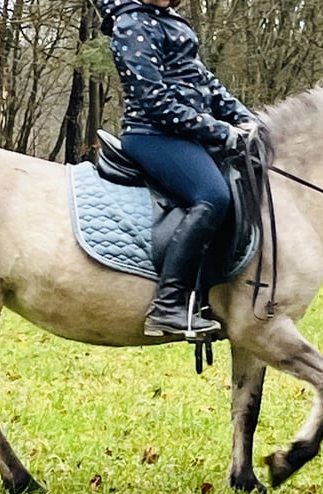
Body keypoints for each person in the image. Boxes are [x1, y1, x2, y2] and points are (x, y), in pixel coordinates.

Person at [95, 0, 256, 337]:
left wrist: (244, 117)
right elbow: (153, 100)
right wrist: (219, 130)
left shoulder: (171, 21)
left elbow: (204, 82)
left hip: (185, 133)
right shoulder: (132, 23)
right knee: (212, 195)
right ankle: (168, 306)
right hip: (152, 134)